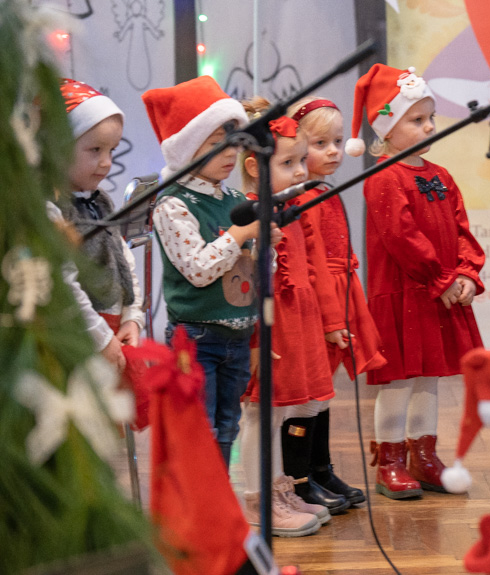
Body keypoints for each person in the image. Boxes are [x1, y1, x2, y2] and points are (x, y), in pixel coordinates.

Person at [344, 64, 485, 499]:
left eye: (430, 118)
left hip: (441, 294)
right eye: (415, 119)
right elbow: (402, 237)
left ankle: (423, 456)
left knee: (429, 379)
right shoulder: (384, 177)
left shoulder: (441, 176)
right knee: (400, 382)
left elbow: (463, 230)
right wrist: (440, 279)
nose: (427, 126)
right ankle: (389, 460)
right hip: (406, 295)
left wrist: (465, 273)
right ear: (386, 128)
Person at [142, 76, 282, 468]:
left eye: (234, 144)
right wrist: (239, 235)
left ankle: (217, 506)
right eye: (216, 146)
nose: (230, 155)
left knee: (227, 425)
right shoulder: (172, 204)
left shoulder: (237, 199)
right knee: (198, 428)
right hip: (197, 338)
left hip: (237, 335)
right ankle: (192, 513)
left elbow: (253, 273)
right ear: (187, 149)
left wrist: (265, 245)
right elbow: (199, 270)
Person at [237, 100, 349, 536]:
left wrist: (327, 319)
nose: (302, 171)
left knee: (283, 414)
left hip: (295, 318)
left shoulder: (294, 208)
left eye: (303, 160)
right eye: (290, 163)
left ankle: (281, 490)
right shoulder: (246, 215)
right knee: (259, 415)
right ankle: (258, 499)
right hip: (267, 326)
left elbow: (316, 267)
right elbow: (244, 283)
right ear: (253, 166)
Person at [286, 96, 388, 507]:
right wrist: (331, 315)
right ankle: (299, 477)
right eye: (320, 143)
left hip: (339, 292)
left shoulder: (323, 191)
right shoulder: (298, 198)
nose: (332, 151)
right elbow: (311, 264)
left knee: (324, 390)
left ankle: (321, 468)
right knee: (308, 391)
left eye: (337, 141)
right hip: (318, 300)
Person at [49, 79, 144, 371]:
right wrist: (99, 337)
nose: (106, 163)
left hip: (113, 329)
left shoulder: (100, 200)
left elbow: (122, 257)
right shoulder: (51, 209)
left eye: (112, 150)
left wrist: (132, 314)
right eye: (95, 150)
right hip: (81, 334)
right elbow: (62, 281)